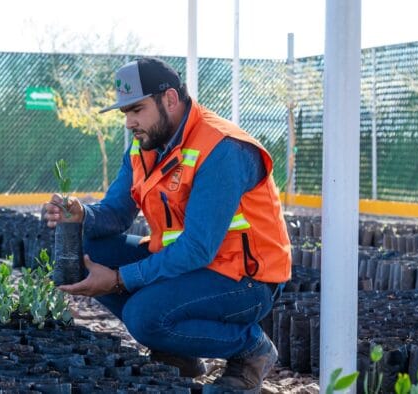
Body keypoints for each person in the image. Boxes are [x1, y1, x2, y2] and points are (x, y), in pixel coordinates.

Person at [42, 57, 291, 392]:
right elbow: (117, 212)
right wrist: (82, 216)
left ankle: (251, 350)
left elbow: (198, 248)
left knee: (145, 317)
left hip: (245, 280)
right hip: (191, 267)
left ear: (170, 99)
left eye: (137, 110)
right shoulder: (143, 145)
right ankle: (178, 353)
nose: (129, 122)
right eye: (125, 113)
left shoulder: (222, 148)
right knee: (87, 249)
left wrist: (118, 280)